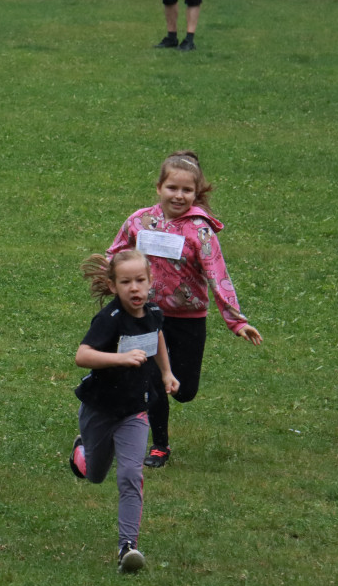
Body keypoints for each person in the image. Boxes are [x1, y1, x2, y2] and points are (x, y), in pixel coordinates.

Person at [106, 151, 262, 468]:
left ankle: (160, 397)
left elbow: (218, 276)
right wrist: (112, 281)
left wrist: (237, 322)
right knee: (151, 381)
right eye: (172, 188)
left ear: (196, 192)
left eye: (186, 190)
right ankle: (159, 445)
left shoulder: (200, 231)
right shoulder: (139, 221)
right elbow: (116, 253)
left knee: (184, 390)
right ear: (159, 187)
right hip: (146, 317)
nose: (179, 196)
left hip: (188, 320)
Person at [69, 250, 179, 573]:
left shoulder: (154, 311)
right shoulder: (109, 319)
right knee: (96, 474)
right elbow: (82, 355)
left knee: (131, 474)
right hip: (100, 409)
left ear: (150, 281)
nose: (135, 288)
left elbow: (156, 335)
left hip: (135, 410)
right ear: (113, 286)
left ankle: (127, 548)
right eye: (126, 282)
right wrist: (121, 358)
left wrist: (166, 373)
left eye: (140, 281)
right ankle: (81, 453)